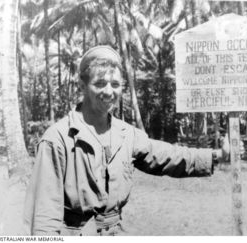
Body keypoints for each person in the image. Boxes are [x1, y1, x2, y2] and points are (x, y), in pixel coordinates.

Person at [24, 45, 229, 236]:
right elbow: (44, 216)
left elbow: (167, 156)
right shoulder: (57, 138)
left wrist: (217, 156)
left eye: (115, 84)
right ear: (82, 86)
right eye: (99, 84)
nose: (108, 92)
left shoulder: (126, 134)